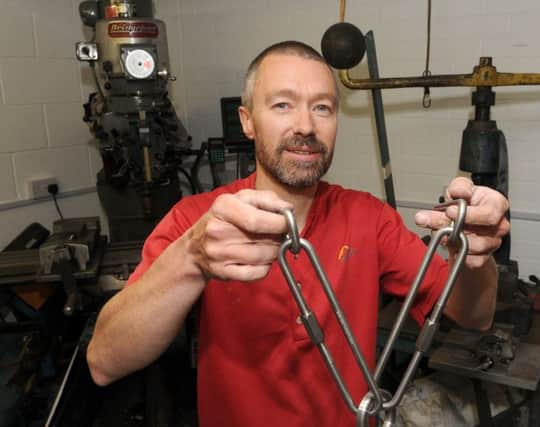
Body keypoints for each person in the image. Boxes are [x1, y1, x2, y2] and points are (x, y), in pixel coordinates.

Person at [86, 41, 510, 426]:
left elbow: (475, 316)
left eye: (322, 107)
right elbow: (105, 361)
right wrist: (190, 260)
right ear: (247, 121)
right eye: (283, 105)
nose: (306, 126)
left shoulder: (367, 217)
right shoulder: (198, 222)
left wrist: (476, 257)